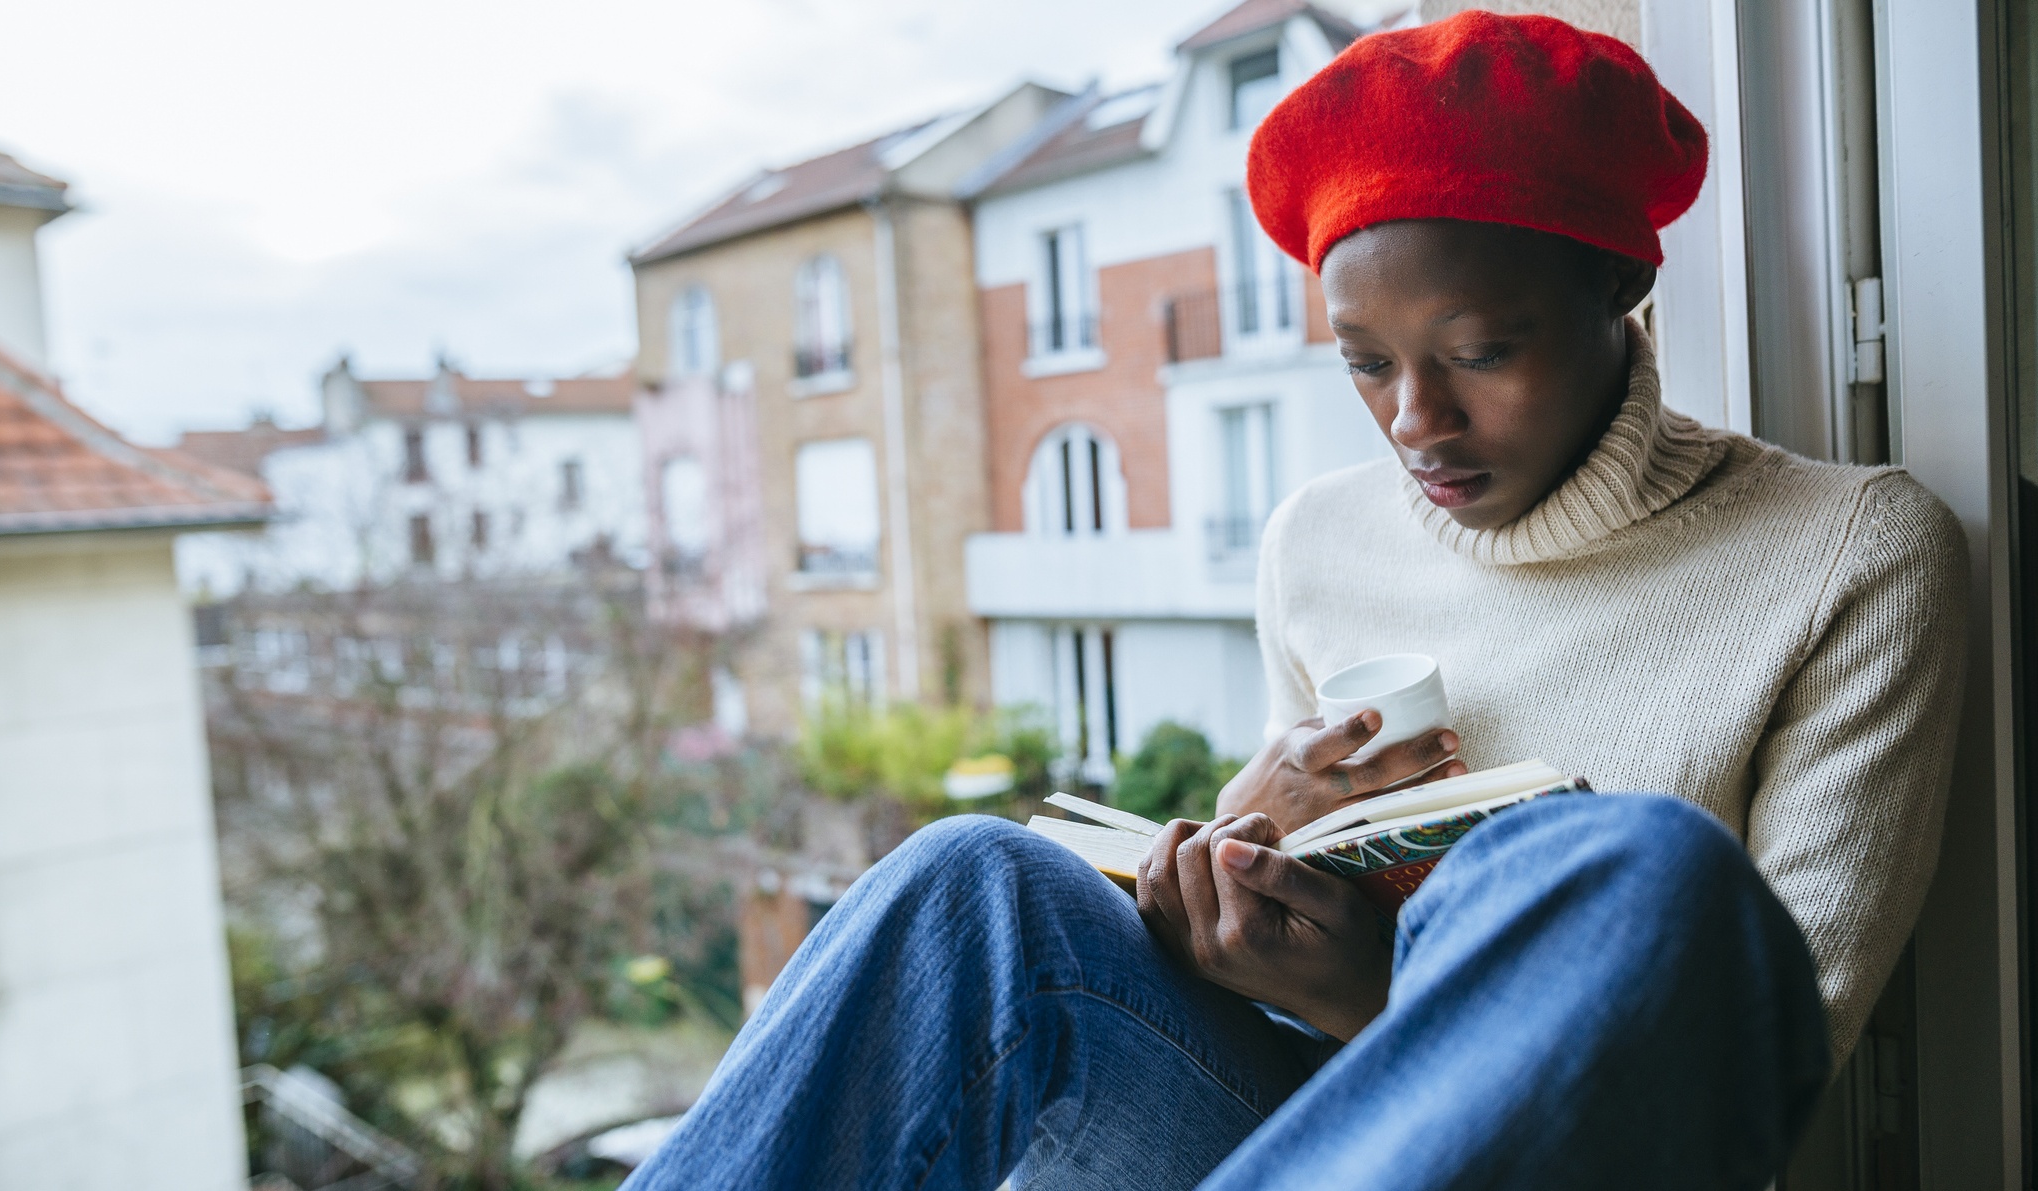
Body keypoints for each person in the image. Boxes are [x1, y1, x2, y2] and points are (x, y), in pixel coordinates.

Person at [624, 12, 1966, 1190]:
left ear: (1622, 285)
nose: (1417, 422)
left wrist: (1378, 997)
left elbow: (1755, 1059)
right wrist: (1228, 896)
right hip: (1295, 1132)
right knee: (973, 880)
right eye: (1366, 365)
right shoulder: (1318, 541)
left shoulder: (1847, 555)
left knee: (1627, 872)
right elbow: (1271, 986)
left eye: (1480, 354)